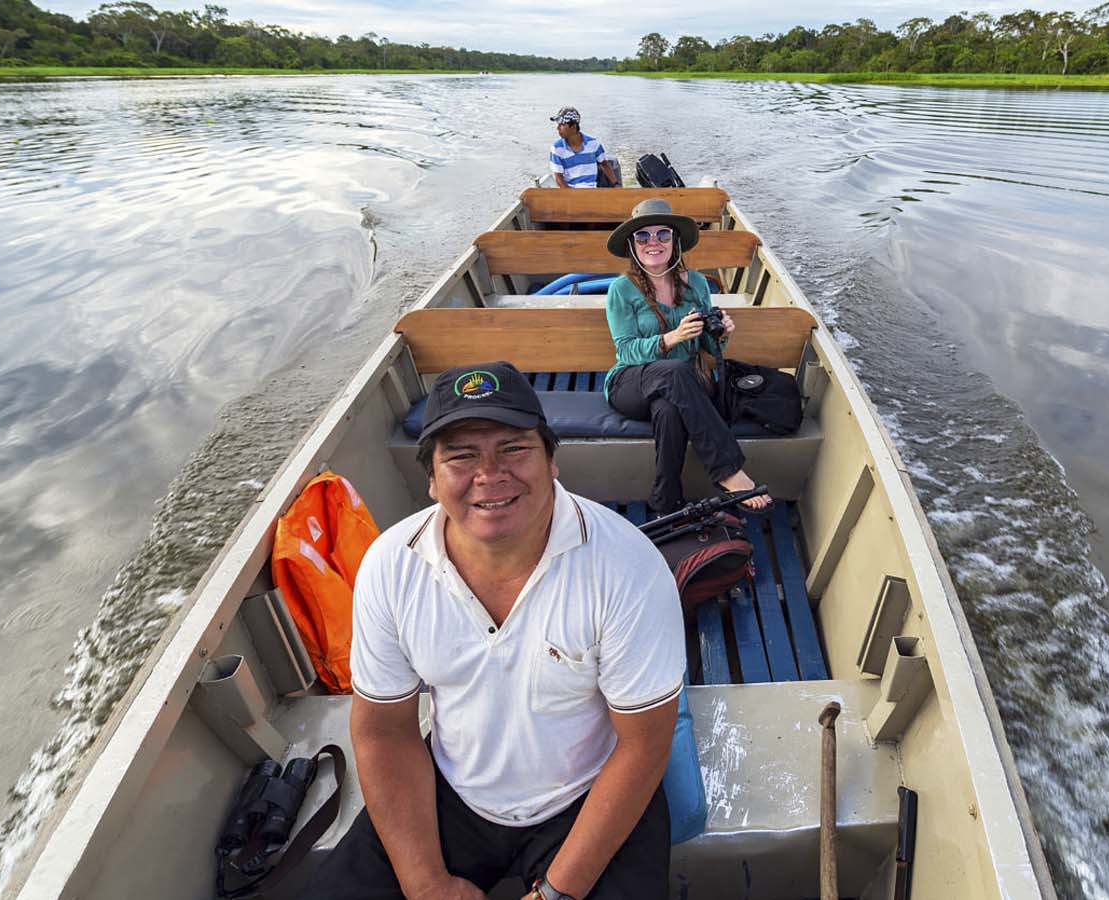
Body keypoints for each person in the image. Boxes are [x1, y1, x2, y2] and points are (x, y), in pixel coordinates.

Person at [300, 361, 685, 900]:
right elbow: (384, 730)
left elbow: (643, 745)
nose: (490, 474)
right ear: (431, 479)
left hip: (589, 790)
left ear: (552, 459)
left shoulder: (626, 567)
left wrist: (554, 893)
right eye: (460, 455)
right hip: (452, 789)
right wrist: (426, 884)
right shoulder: (392, 565)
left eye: (514, 449)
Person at [602, 199, 773, 515]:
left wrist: (721, 333)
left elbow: (709, 348)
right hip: (631, 382)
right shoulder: (621, 290)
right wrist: (672, 338)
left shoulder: (695, 283)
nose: (653, 242)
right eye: (643, 236)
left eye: (663, 235)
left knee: (669, 409)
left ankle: (666, 502)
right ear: (632, 245)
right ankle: (727, 470)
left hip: (682, 386)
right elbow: (624, 350)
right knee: (676, 372)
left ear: (675, 240)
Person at [549, 107, 618, 189]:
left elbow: (604, 164)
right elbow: (558, 177)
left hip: (592, 191)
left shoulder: (593, 144)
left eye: (562, 125)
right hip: (570, 191)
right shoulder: (557, 149)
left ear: (573, 127)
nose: (557, 128)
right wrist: (571, 196)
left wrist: (616, 184)